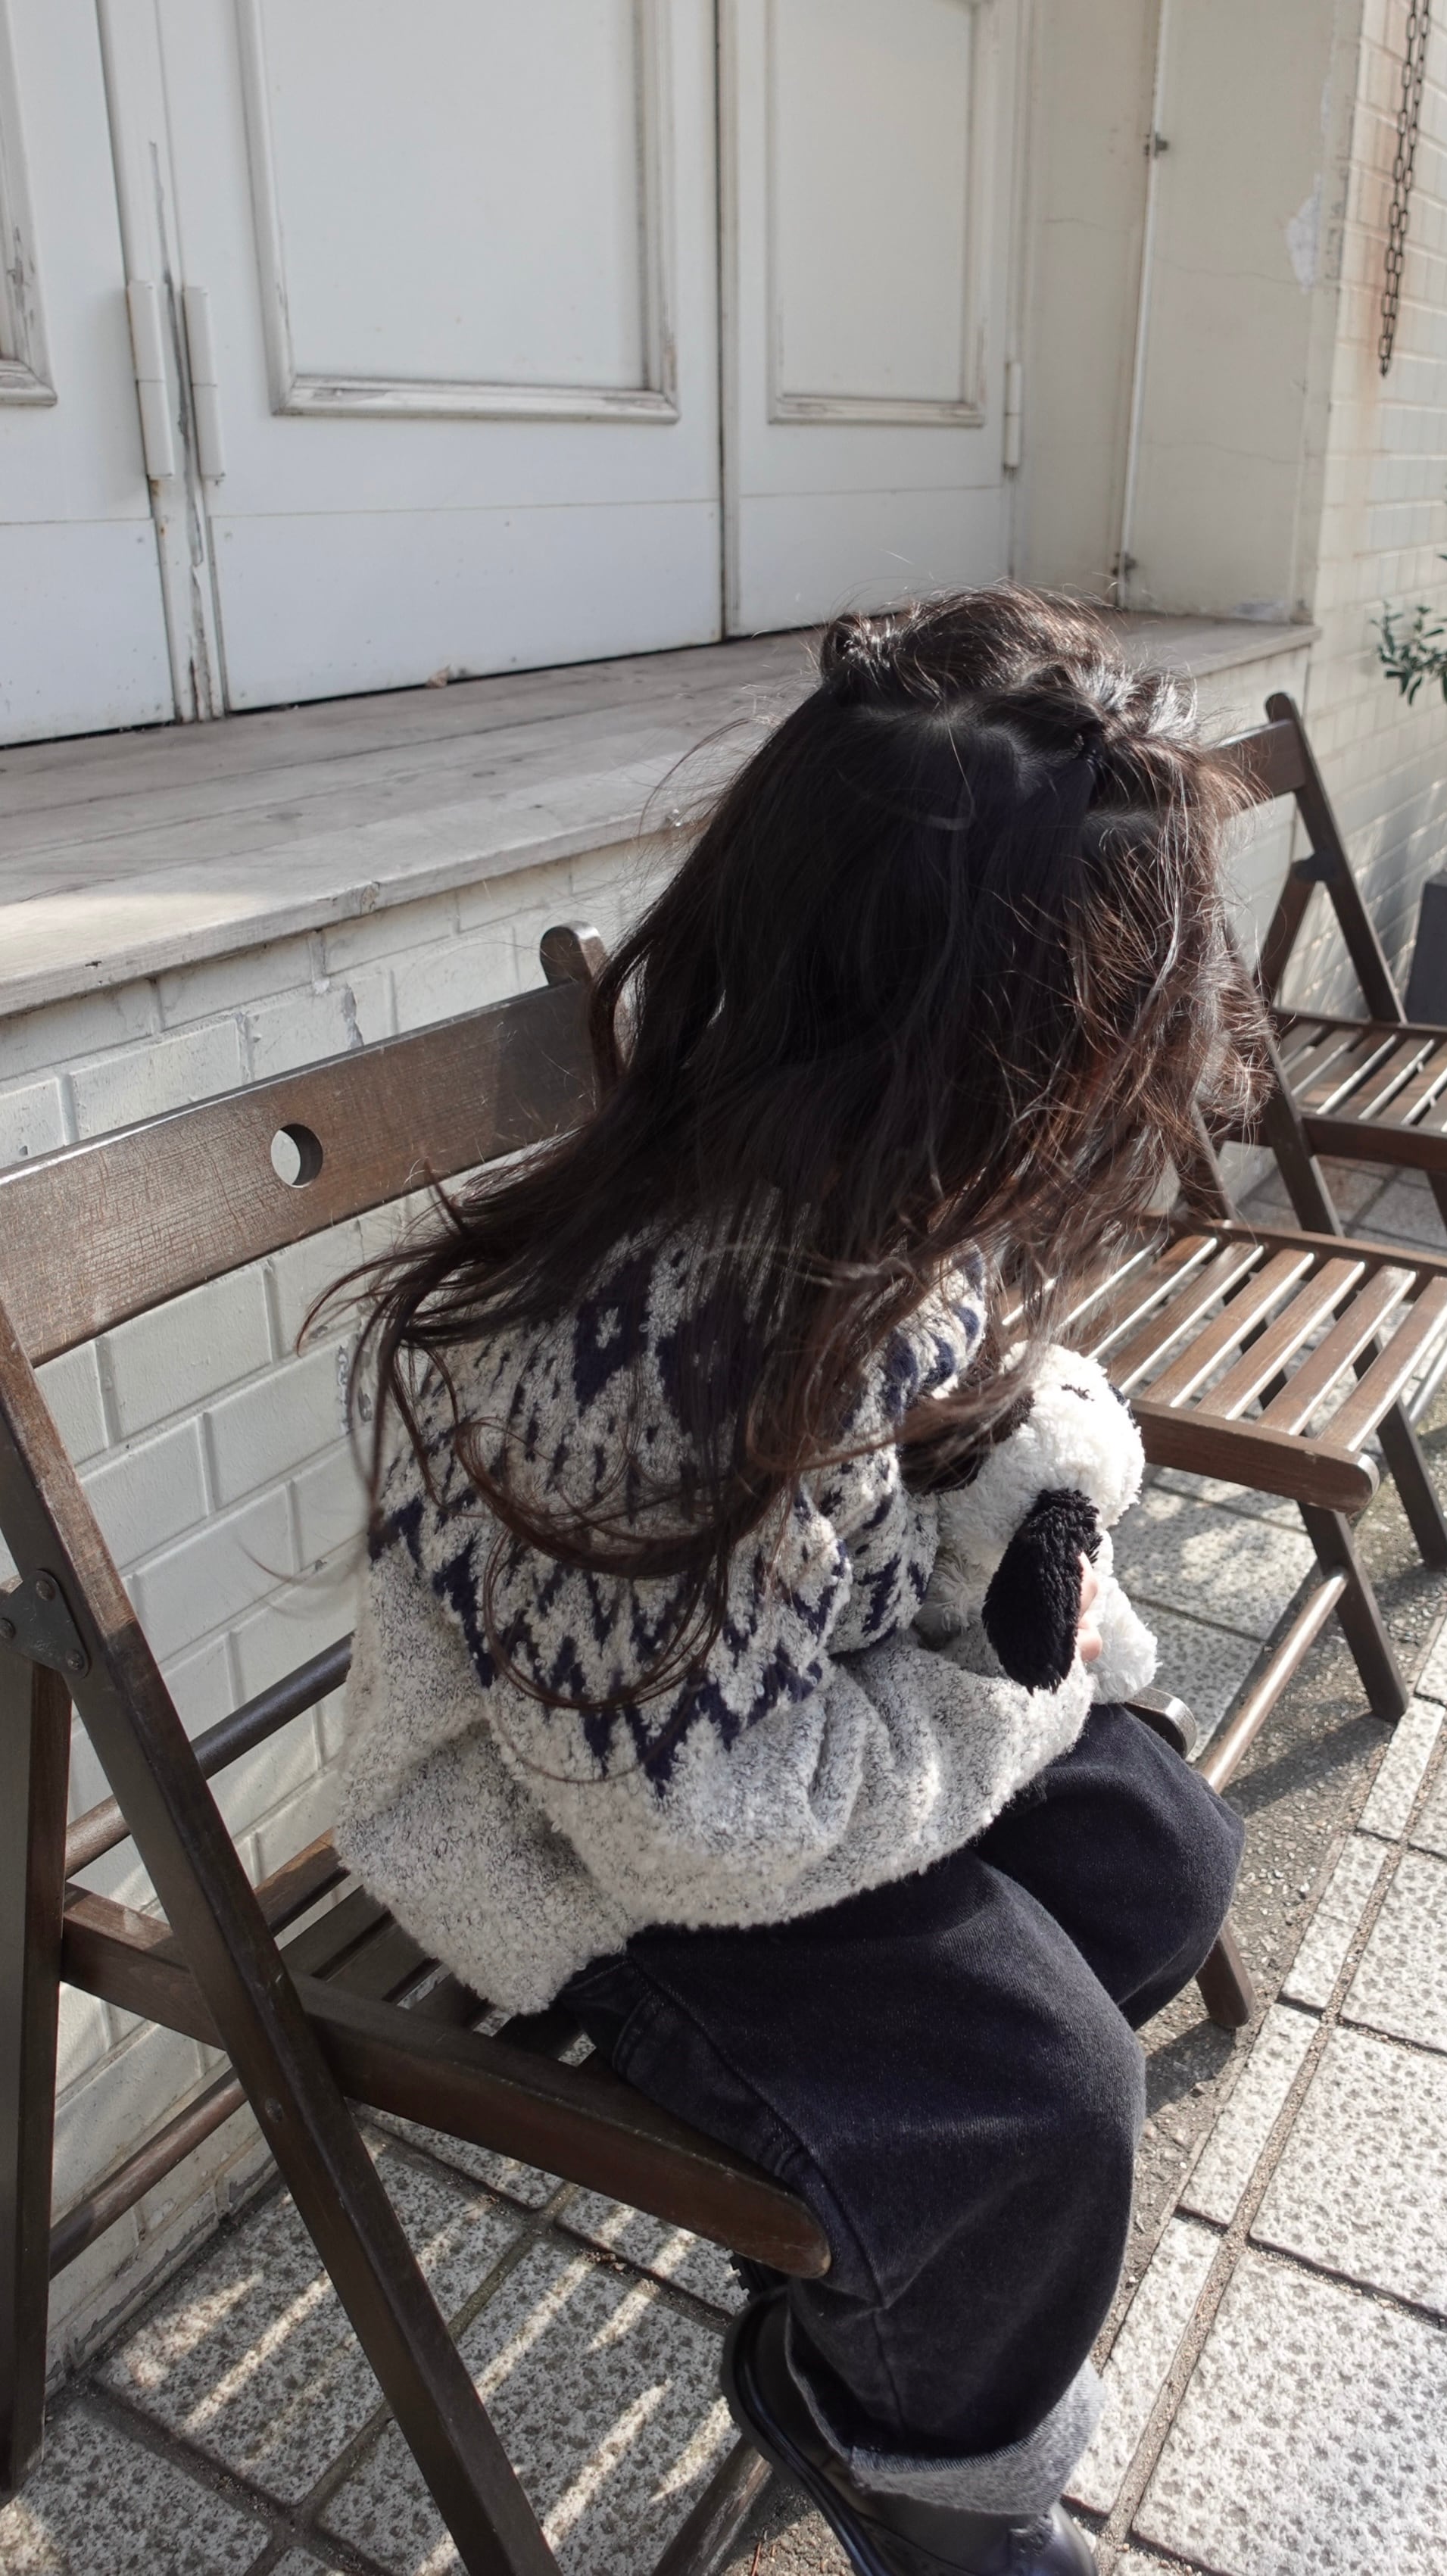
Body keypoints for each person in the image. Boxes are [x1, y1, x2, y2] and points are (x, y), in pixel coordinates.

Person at [331, 590, 1258, 2576]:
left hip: (782, 1721)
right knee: (1047, 2093)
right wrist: (1020, 1696)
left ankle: (882, 2217)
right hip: (579, 1843)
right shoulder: (647, 1368)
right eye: (1097, 1056)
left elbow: (1002, 1394)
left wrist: (1048, 1514)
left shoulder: (880, 1181)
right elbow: (700, 1830)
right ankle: (902, 2444)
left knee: (1161, 1853)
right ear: (974, 1043)